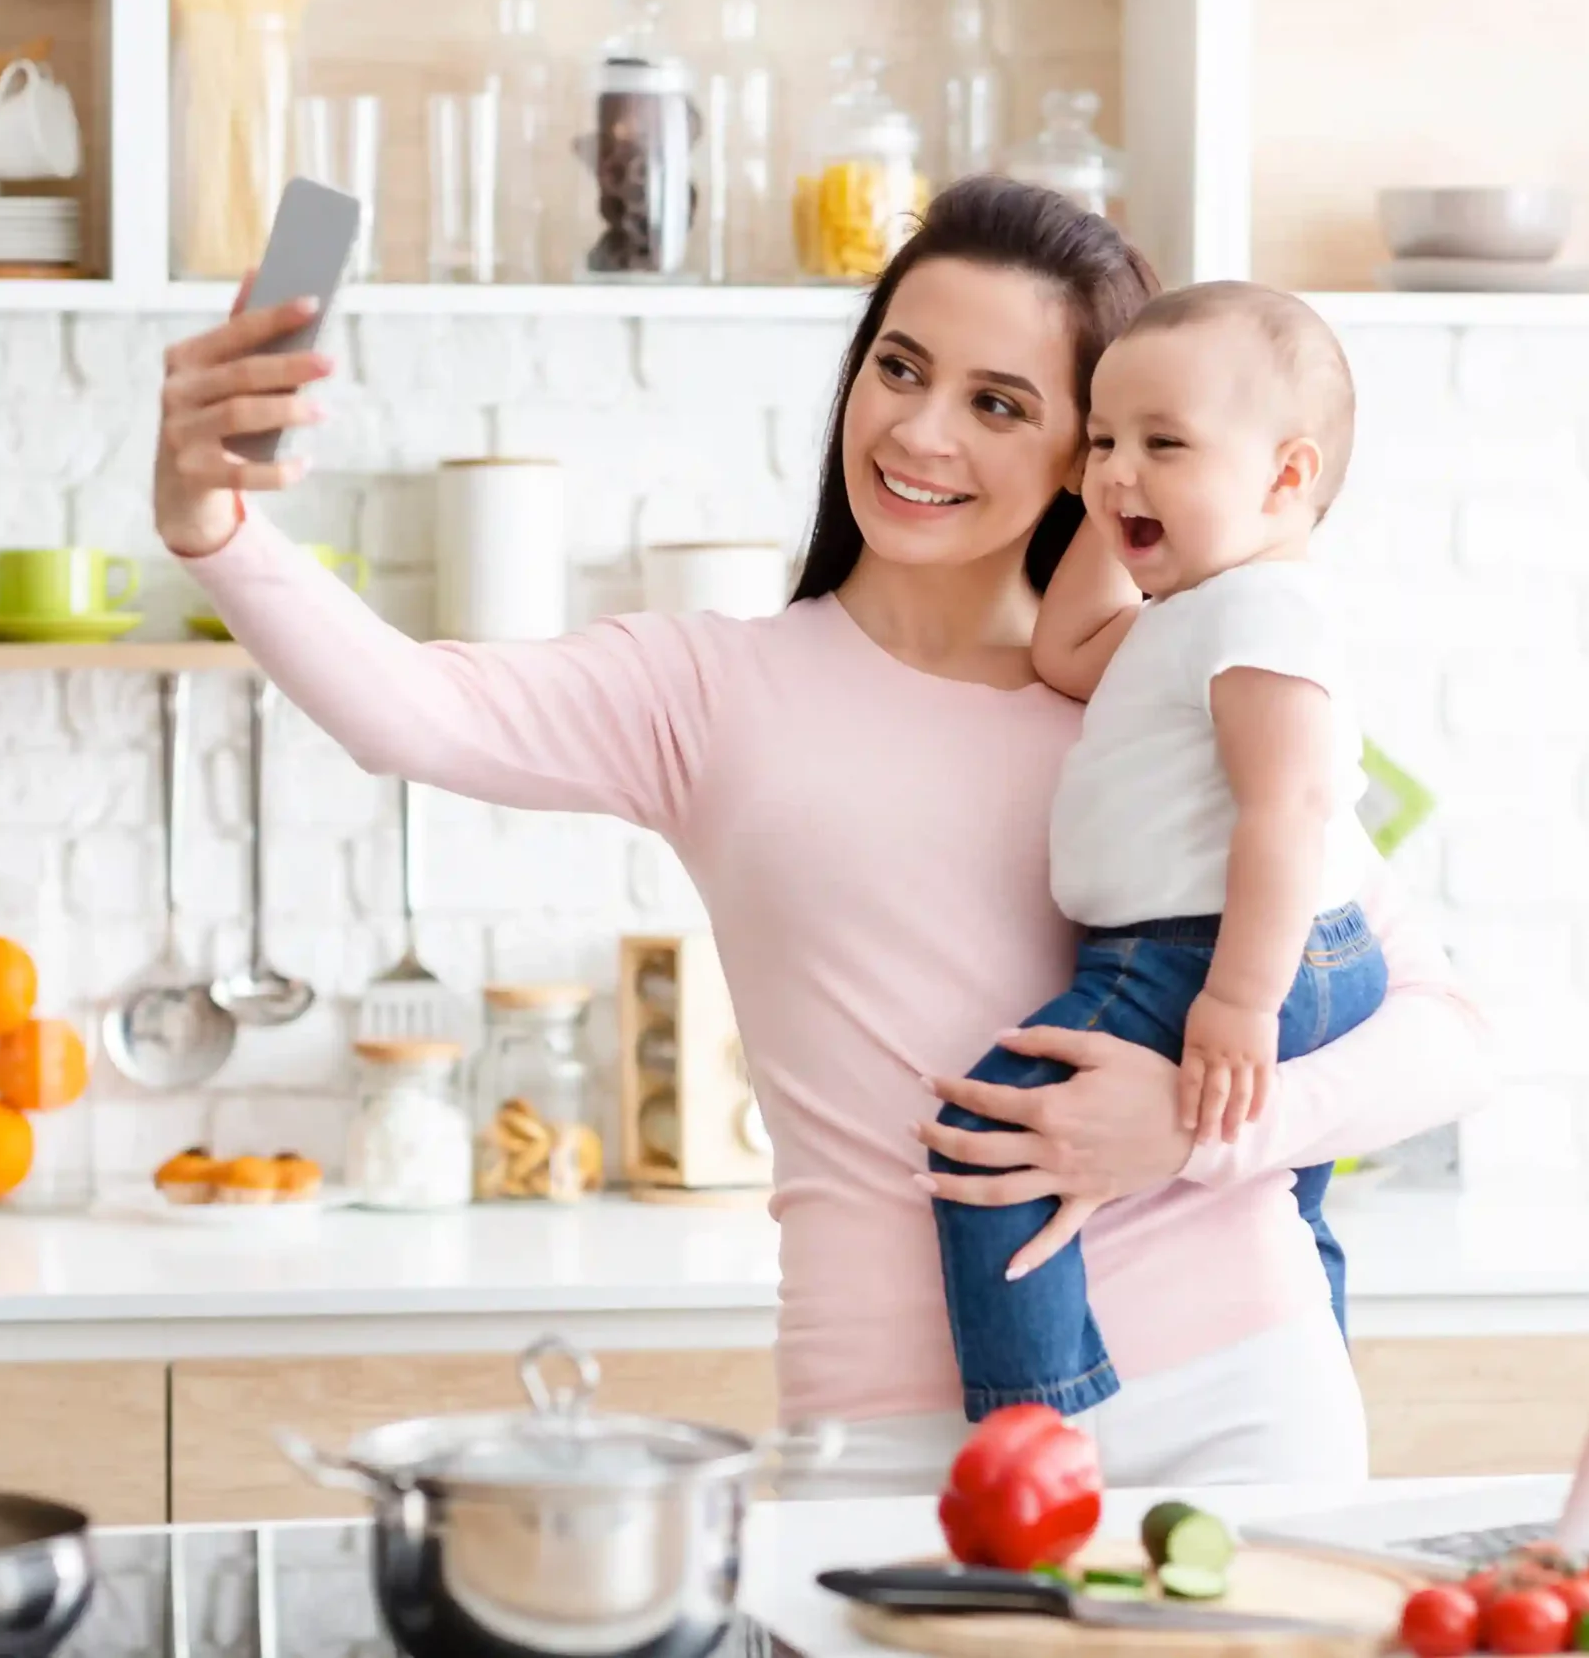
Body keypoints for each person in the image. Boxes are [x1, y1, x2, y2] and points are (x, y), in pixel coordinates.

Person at [156, 177, 1493, 1492]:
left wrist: (1195, 1132)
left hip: (1239, 1399)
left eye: (999, 404)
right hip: (897, 1444)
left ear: (1094, 455)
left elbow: (1442, 1034)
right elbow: (416, 715)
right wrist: (219, 531)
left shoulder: (1171, 683)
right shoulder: (715, 690)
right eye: (898, 367)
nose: (919, 432)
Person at [929, 279, 1386, 1426]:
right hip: (1265, 951)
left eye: (1164, 442)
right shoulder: (1198, 611)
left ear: (1288, 477)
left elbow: (1285, 809)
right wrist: (1124, 503)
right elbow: (1066, 647)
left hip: (1202, 954)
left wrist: (1236, 1001)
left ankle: (1035, 1423)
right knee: (1292, 1207)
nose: (1115, 469)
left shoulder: (1262, 615)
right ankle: (1316, 1355)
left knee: (996, 1132)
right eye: (1101, 441)